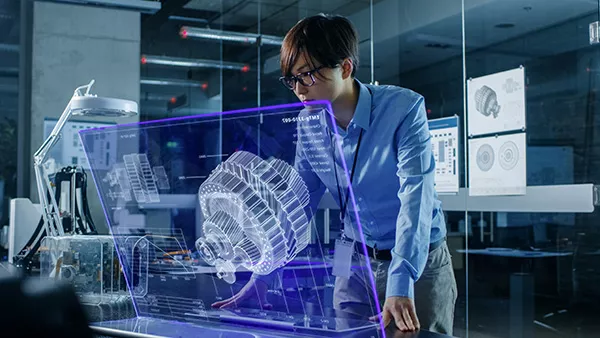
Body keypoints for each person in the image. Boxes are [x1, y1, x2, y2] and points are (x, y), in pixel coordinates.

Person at [212, 13, 457, 334]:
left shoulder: (403, 109)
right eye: (292, 79)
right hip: (354, 264)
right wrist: (264, 275)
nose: (299, 90)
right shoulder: (310, 124)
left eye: (308, 75)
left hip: (418, 265)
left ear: (345, 68)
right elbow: (298, 206)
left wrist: (400, 282)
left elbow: (417, 198)